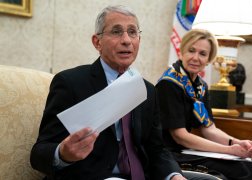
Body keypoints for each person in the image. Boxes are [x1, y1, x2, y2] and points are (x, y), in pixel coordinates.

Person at [30, 5, 216, 180]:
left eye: (132, 32)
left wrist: (173, 175)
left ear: (138, 40)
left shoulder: (148, 91)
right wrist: (63, 153)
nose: (126, 40)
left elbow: (157, 149)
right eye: (117, 31)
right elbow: (39, 153)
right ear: (97, 42)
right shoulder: (70, 83)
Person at [156, 29, 252, 180]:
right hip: (167, 155)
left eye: (202, 54)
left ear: (209, 59)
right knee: (241, 172)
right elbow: (180, 136)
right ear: (181, 52)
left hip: (185, 151)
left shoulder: (201, 86)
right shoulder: (169, 83)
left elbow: (209, 129)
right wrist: (229, 150)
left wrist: (237, 142)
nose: (195, 58)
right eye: (191, 51)